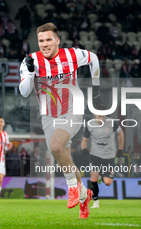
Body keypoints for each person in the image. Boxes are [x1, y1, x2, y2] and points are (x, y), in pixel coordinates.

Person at [18, 22, 104, 218]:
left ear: (57, 41)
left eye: (49, 40)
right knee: (63, 156)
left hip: (73, 108)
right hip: (48, 114)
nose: (45, 44)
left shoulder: (73, 55)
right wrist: (31, 73)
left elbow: (94, 59)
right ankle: (84, 195)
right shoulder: (30, 61)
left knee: (56, 146)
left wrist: (96, 88)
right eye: (41, 41)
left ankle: (72, 187)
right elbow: (24, 92)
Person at [81, 110, 124, 208]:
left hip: (109, 156)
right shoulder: (89, 124)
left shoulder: (112, 123)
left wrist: (120, 149)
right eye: (99, 116)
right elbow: (84, 140)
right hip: (95, 155)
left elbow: (120, 134)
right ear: (94, 114)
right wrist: (83, 148)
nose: (101, 119)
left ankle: (101, 177)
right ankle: (95, 202)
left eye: (103, 117)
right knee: (94, 175)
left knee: (108, 182)